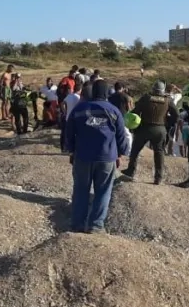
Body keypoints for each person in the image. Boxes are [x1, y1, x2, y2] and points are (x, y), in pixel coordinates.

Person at [65, 80, 130, 234]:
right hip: (107, 158)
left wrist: (71, 151)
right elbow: (121, 136)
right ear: (107, 93)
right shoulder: (114, 111)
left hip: (82, 157)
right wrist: (121, 154)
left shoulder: (79, 109)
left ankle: (77, 225)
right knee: (103, 191)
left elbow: (68, 133)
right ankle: (96, 226)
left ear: (93, 92)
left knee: (81, 190)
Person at [121, 81, 179, 185]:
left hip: (144, 128)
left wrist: (134, 126)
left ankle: (130, 171)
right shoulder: (167, 100)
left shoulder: (146, 98)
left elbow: (135, 112)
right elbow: (176, 115)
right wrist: (168, 123)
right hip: (160, 129)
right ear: (163, 90)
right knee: (159, 153)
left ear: (153, 89)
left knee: (135, 150)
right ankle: (158, 177)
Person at [60, 79, 83, 152]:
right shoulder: (79, 98)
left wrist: (64, 112)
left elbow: (62, 103)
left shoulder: (69, 96)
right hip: (76, 118)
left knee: (68, 134)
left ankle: (66, 148)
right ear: (80, 90)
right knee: (75, 134)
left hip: (68, 117)